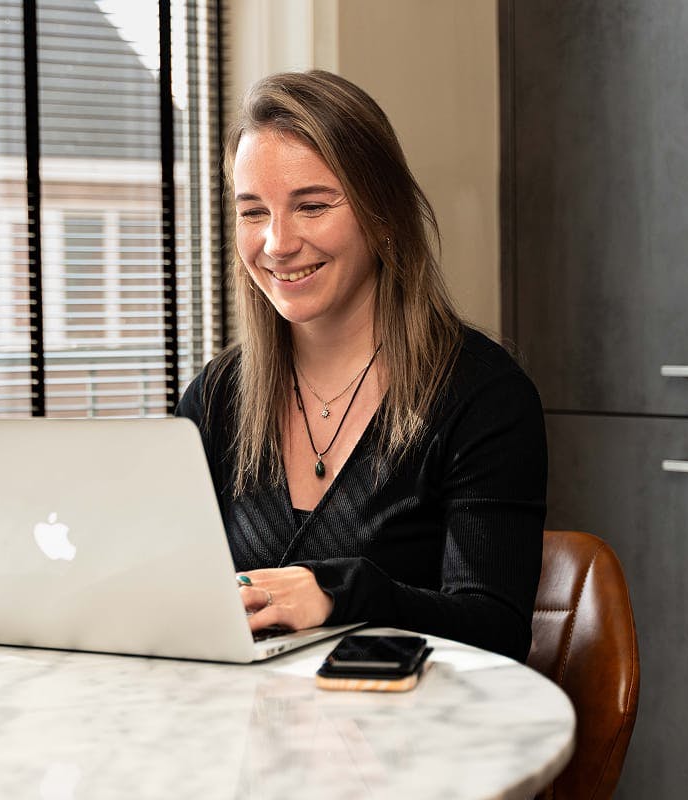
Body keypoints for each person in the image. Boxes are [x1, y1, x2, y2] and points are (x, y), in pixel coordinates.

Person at [176, 70, 546, 661]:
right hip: (242, 737)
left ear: (382, 214)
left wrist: (343, 596)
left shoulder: (484, 395)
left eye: (312, 206)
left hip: (407, 738)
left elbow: (495, 631)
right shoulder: (214, 398)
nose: (276, 242)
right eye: (253, 212)